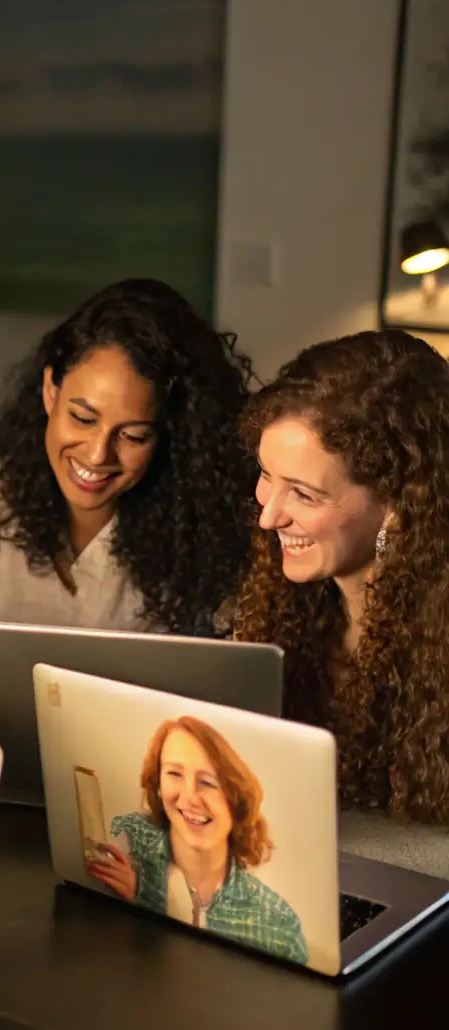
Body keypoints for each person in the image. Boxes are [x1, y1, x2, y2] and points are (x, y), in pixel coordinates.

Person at [0, 278, 256, 634]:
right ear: (49, 393)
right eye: (83, 419)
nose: (98, 454)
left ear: (169, 435)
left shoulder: (205, 531)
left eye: (133, 435)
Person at [234, 329, 449, 823]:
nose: (269, 518)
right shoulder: (286, 605)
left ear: (398, 506)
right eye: (267, 475)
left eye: (305, 495)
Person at [87, 715, 307, 964]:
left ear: (236, 799)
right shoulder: (126, 852)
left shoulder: (278, 925)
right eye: (174, 774)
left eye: (208, 782)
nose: (190, 796)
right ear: (158, 785)